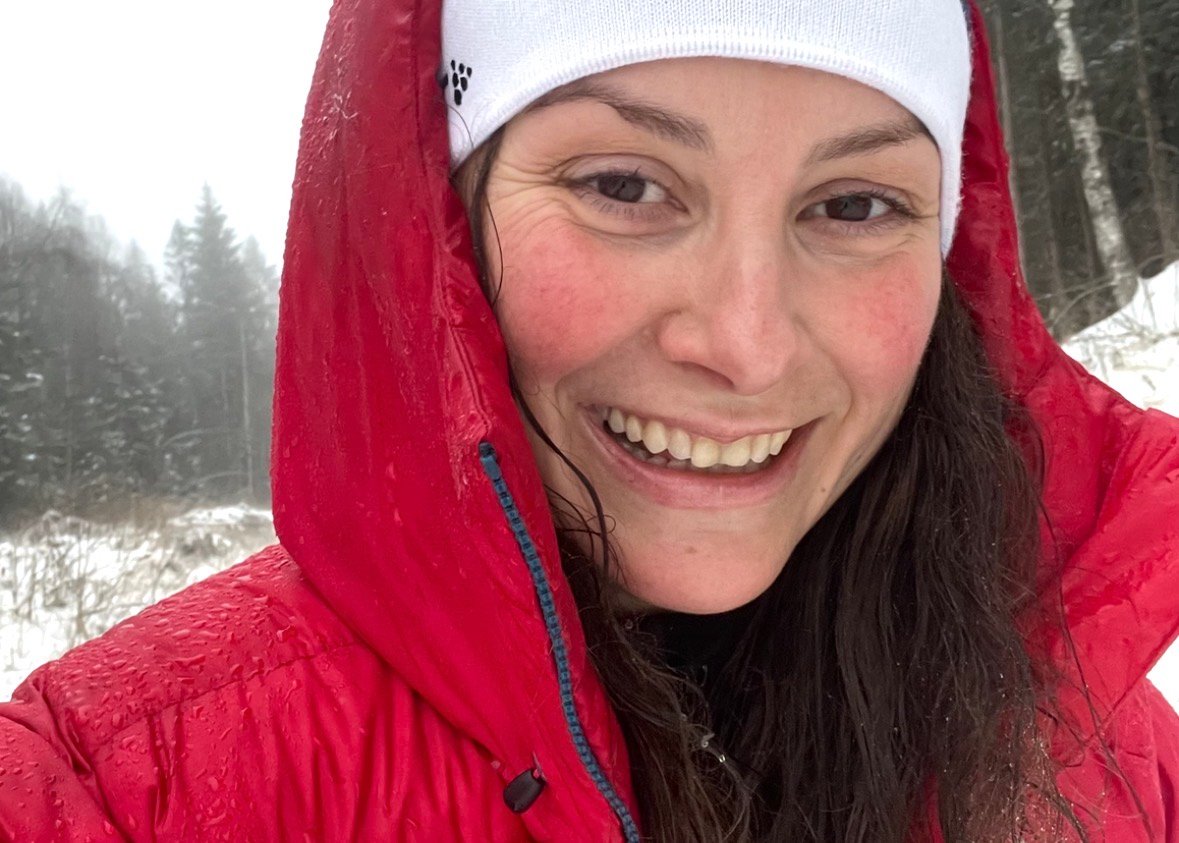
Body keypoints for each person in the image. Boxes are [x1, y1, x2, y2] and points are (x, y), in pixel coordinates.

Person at [2, 0, 1177, 839]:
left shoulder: (1101, 755)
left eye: (856, 206)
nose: (747, 343)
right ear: (438, 229)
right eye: (624, 186)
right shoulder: (117, 791)